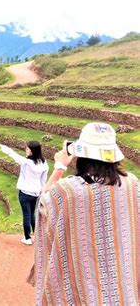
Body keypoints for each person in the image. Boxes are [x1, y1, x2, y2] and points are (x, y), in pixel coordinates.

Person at [31, 122, 139, 305]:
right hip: (123, 289)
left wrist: (59, 166)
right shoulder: (133, 185)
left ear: (81, 154)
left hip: (84, 291)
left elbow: (42, 207)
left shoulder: (68, 190)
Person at [0, 138, 49, 245]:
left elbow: (12, 154)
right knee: (33, 215)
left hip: (25, 192)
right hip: (36, 193)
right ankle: (37, 236)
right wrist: (41, 192)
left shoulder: (26, 162)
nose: (25, 150)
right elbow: (43, 180)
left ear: (31, 150)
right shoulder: (44, 164)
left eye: (27, 148)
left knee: (26, 215)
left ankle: (27, 238)